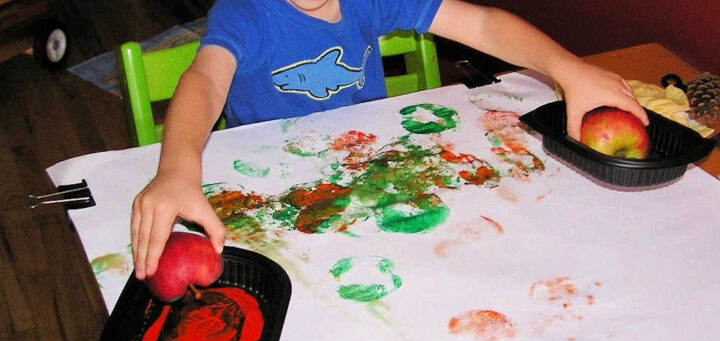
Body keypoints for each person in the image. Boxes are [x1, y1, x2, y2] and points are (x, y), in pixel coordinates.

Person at [130, 0, 648, 279]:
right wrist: (176, 169)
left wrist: (567, 69)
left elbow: (485, 24)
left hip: (380, 178)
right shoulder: (245, 14)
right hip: (289, 198)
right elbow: (204, 81)